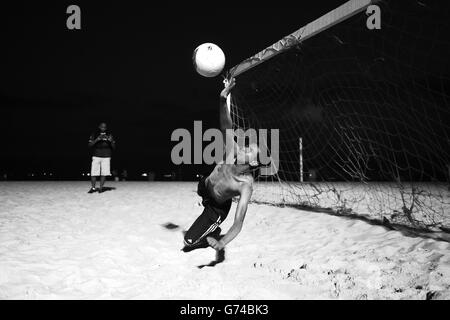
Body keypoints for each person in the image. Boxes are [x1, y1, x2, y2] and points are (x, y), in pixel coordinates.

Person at [182, 78, 260, 253]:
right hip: (205, 186)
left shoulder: (245, 186)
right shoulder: (233, 150)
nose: (245, 146)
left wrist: (222, 242)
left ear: (253, 163)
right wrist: (222, 100)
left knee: (188, 242)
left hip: (216, 207)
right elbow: (226, 125)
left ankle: (207, 231)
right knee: (202, 183)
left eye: (250, 149)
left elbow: (238, 223)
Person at [87, 122, 116, 193]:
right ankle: (93, 188)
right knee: (93, 173)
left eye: (105, 127)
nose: (103, 128)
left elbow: (114, 147)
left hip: (106, 156)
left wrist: (110, 141)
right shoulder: (94, 134)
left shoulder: (109, 134)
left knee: (104, 173)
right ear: (99, 127)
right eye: (102, 127)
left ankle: (100, 188)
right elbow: (89, 145)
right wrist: (97, 139)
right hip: (96, 155)